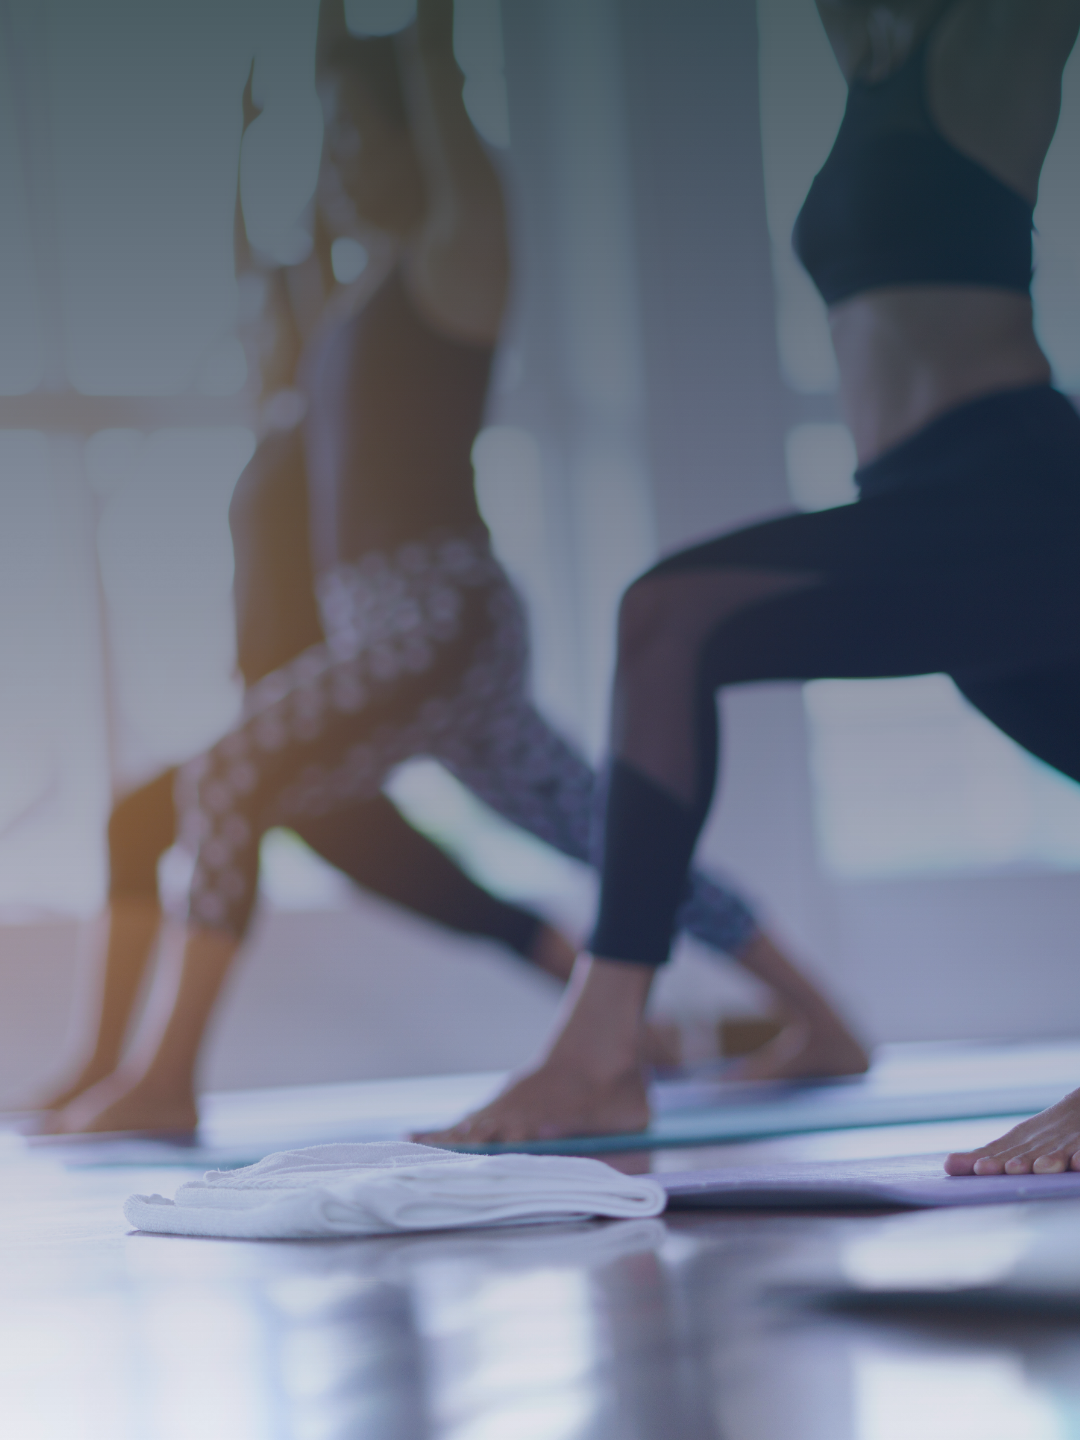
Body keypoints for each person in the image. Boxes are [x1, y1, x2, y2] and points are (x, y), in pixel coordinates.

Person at [48, 0, 866, 1136]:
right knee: (608, 831)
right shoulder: (341, 304)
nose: (337, 163)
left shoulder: (453, 256)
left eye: (356, 136)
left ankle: (164, 1082)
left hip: (434, 617)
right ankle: (824, 1018)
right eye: (325, 143)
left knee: (228, 780)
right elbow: (259, 267)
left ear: (418, 139)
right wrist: (267, 119)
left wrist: (399, 43)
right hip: (403, 635)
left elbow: (430, 63)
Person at [420, 0, 1080, 1150]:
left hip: (1014, 491)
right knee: (672, 621)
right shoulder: (869, 60)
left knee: (670, 616)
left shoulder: (993, 37)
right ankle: (601, 1051)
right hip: (923, 511)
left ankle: (599, 1050)